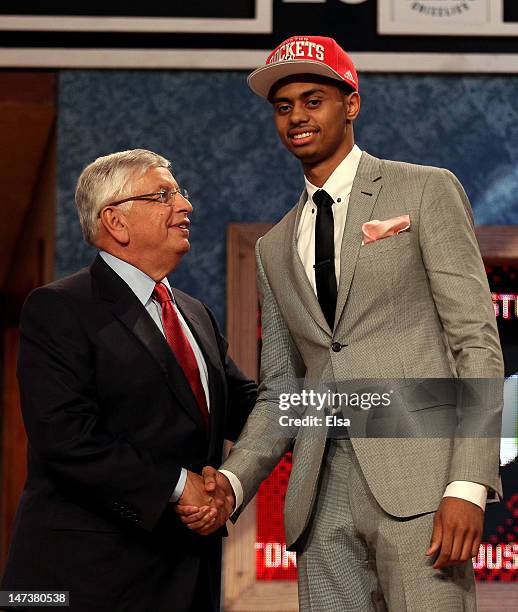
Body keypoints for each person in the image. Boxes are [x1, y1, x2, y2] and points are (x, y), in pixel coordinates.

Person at [177, 37, 504, 611]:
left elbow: (476, 342)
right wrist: (232, 482)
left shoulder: (425, 189)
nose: (297, 117)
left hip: (422, 486)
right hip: (319, 493)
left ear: (350, 104)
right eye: (284, 107)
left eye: (313, 100)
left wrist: (468, 484)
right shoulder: (274, 245)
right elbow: (282, 391)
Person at [0, 149, 257, 612]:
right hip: (83, 581)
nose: (185, 206)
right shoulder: (59, 308)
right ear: (115, 222)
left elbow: (250, 408)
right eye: (163, 195)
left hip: (186, 578)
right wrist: (182, 485)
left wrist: (380, 408)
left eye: (180, 193)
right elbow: (66, 438)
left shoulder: (195, 313)